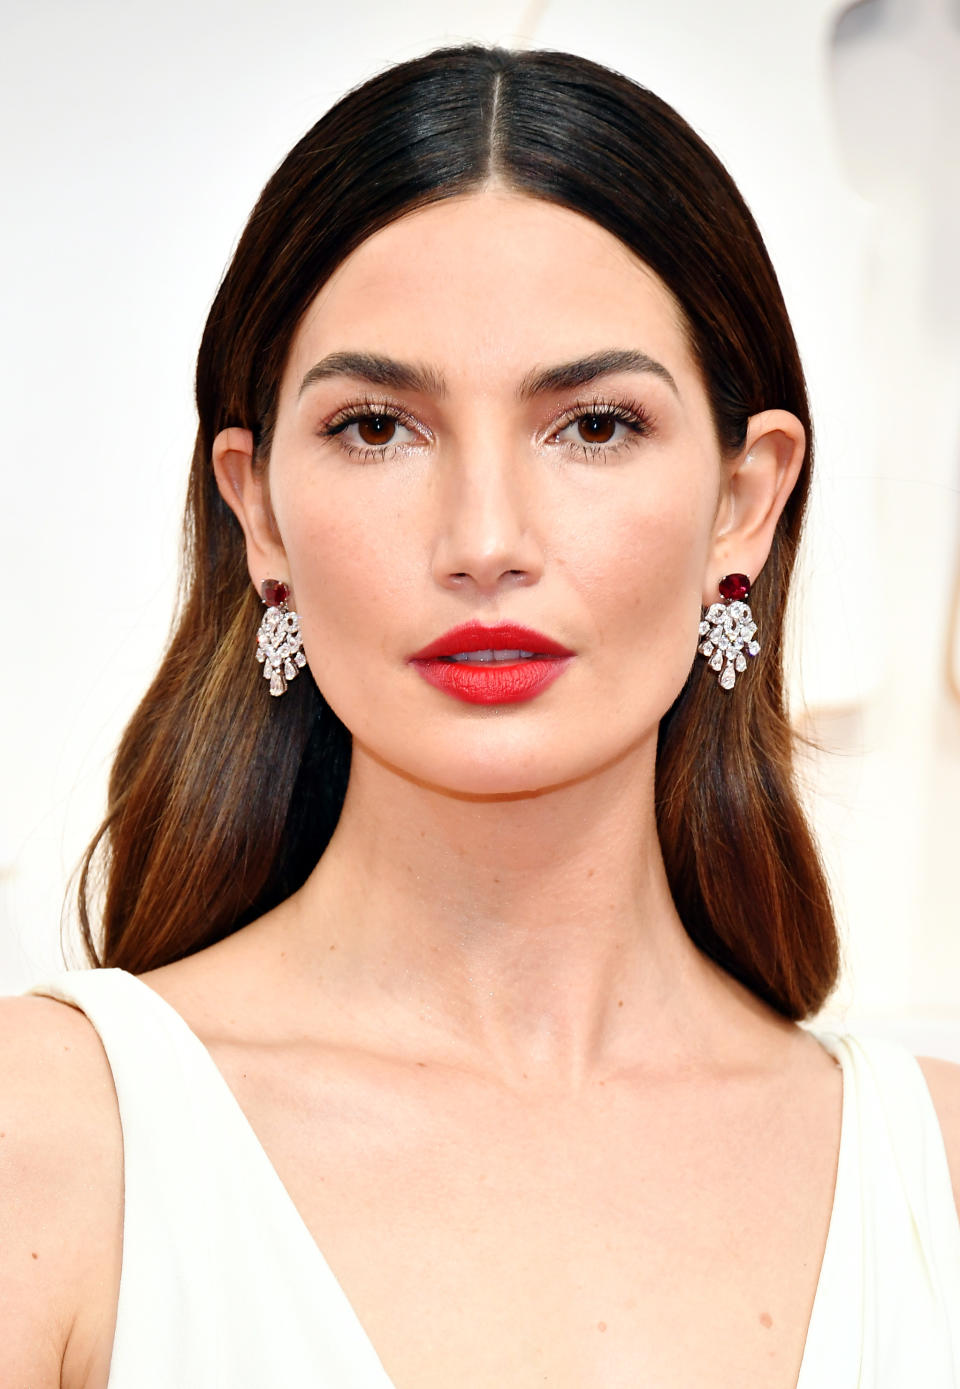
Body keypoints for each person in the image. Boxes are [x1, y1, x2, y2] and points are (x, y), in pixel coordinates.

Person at [3, 42, 958, 1388]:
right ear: (259, 508)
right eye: (380, 426)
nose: (487, 538)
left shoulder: (937, 1191)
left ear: (745, 502)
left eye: (596, 425)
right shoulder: (42, 1145)